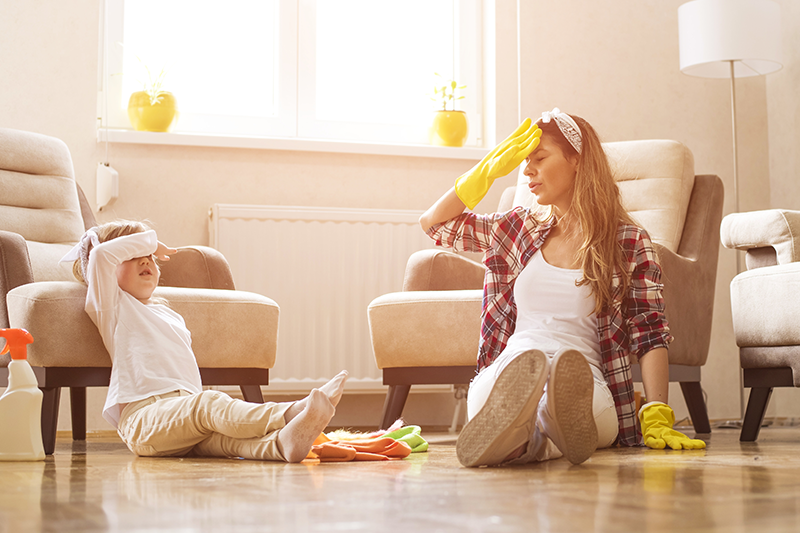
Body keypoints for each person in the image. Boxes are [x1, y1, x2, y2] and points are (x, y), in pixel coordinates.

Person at [419, 109, 706, 468]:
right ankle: (542, 438)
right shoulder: (517, 228)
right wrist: (487, 170)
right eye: (525, 162)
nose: (527, 171)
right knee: (505, 392)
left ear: (577, 160)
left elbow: (649, 331)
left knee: (573, 405)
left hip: (584, 379)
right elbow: (434, 225)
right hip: (512, 367)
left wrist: (657, 411)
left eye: (539, 158)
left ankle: (522, 440)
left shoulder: (628, 241)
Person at [61, 220, 348, 462]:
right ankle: (290, 412)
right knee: (208, 404)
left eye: (149, 256)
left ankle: (282, 444)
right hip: (144, 419)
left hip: (182, 416)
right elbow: (101, 257)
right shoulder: (112, 307)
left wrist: (143, 247)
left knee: (226, 440)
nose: (146, 259)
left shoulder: (169, 314)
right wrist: (149, 241)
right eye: (132, 254)